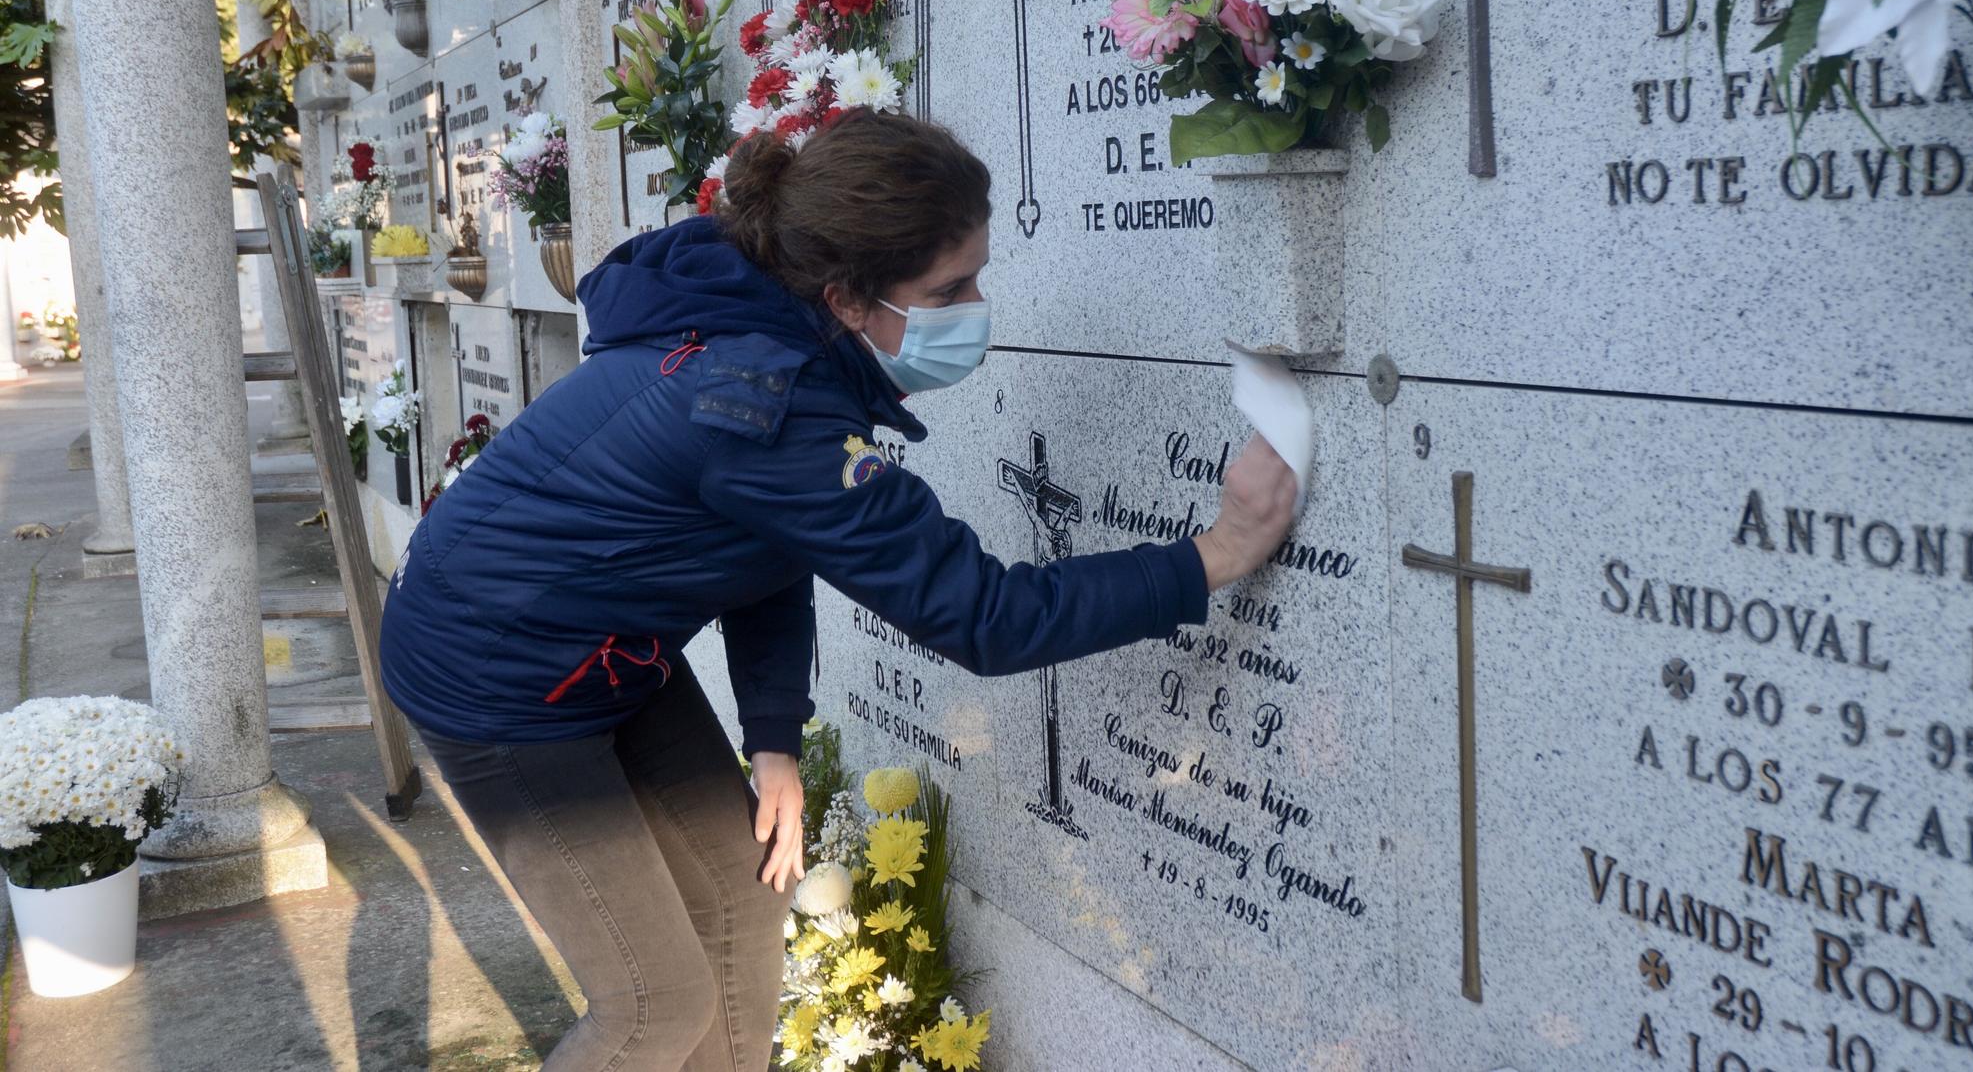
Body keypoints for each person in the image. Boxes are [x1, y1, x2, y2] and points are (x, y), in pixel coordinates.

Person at [379, 108, 1300, 1071]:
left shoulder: (775, 336)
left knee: (745, 901)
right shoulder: (766, 406)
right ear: (849, 298)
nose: (975, 304)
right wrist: (1216, 552)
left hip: (598, 643)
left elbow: (764, 542)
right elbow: (986, 616)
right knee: (654, 1005)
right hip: (493, 676)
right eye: (951, 287)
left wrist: (773, 730)